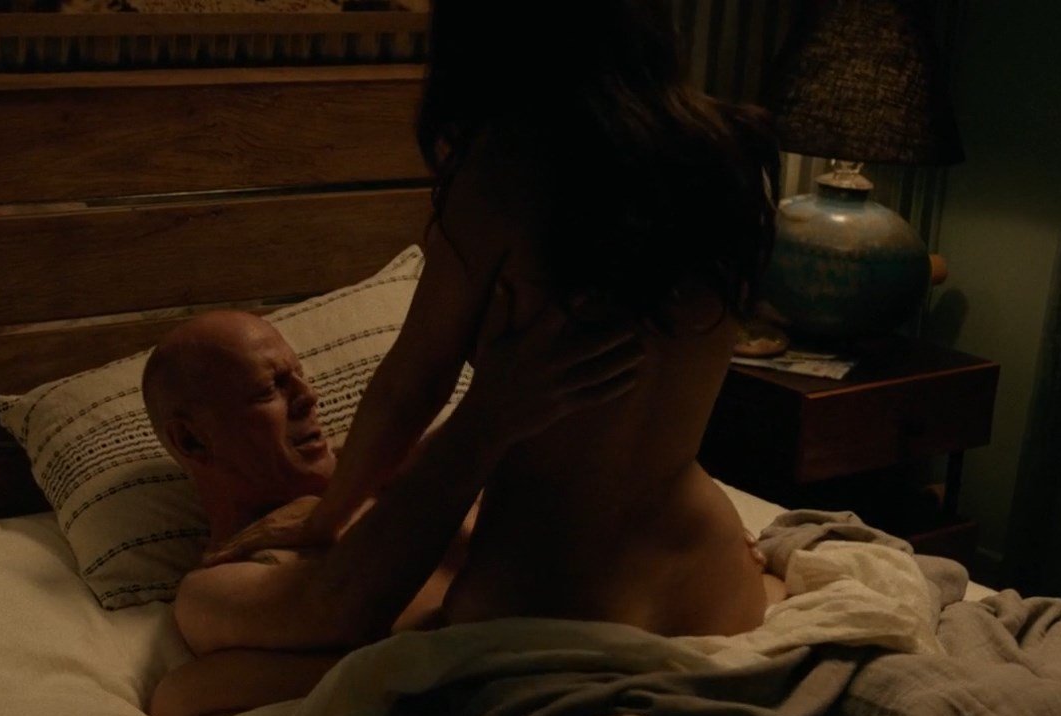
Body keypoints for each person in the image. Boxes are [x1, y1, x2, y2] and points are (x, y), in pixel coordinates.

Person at [304, 0, 783, 638]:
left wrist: (323, 522)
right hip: (716, 583)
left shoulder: (504, 172)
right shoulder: (734, 154)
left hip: (549, 590)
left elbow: (410, 387)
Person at [142, 307, 644, 716]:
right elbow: (340, 605)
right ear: (192, 441)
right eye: (269, 388)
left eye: (299, 376)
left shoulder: (417, 471)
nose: (309, 397)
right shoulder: (215, 587)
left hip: (620, 659)